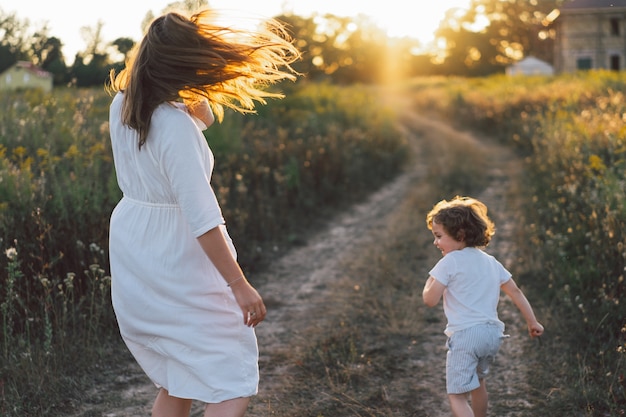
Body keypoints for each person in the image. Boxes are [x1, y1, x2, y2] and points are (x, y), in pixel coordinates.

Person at [106, 9, 300, 417]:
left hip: (137, 246)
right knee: (231, 372)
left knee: (178, 372)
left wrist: (188, 98)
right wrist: (239, 284)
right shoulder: (174, 126)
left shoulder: (125, 105)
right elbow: (202, 218)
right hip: (178, 251)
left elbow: (204, 117)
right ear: (181, 64)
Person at [422, 196, 544, 417]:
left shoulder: (448, 262)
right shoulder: (491, 261)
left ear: (459, 235)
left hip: (466, 336)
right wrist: (532, 321)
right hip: (491, 334)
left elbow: (430, 300)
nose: (435, 242)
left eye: (439, 236)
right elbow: (515, 291)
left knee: (457, 395)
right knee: (478, 384)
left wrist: (430, 280)